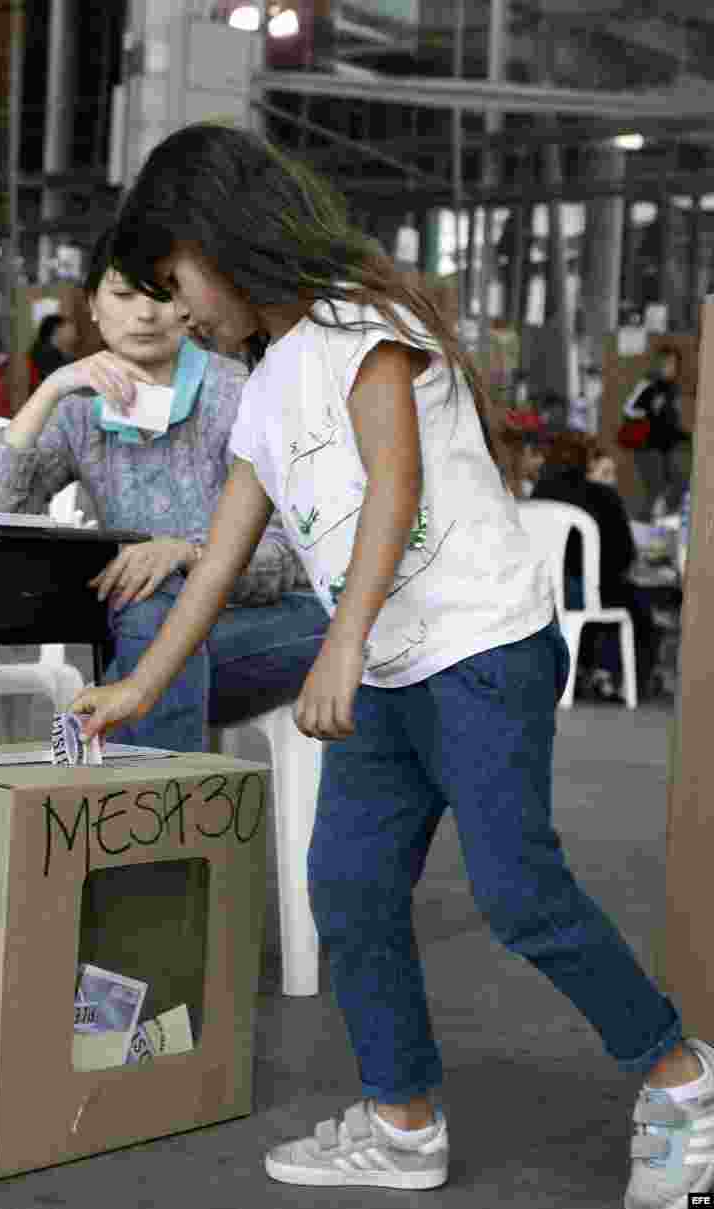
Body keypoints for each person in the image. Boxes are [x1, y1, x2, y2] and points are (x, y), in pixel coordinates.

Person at [66, 123, 711, 1207]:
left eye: (177, 282)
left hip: (477, 649)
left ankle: (682, 1080)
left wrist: (342, 643)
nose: (178, 312)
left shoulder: (360, 324)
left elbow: (394, 482)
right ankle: (401, 1122)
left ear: (226, 244)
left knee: (518, 892)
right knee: (350, 891)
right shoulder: (263, 386)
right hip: (386, 665)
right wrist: (136, 688)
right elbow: (217, 558)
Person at [0, 225, 327, 751]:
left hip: (271, 625)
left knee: (150, 628)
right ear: (91, 305)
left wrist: (188, 555)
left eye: (162, 294)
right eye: (123, 294)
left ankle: (147, 811)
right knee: (151, 623)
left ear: (188, 304)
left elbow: (289, 557)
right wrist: (51, 388)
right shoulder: (80, 408)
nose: (145, 314)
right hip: (160, 641)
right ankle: (168, 813)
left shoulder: (236, 393)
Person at [533, 431, 656, 701]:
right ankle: (621, 679)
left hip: (540, 595)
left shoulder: (537, 497)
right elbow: (624, 557)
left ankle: (586, 671)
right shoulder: (603, 496)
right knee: (634, 601)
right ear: (586, 462)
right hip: (586, 595)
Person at [622, 346, 691, 520]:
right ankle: (645, 526)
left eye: (675, 364)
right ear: (659, 364)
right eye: (668, 364)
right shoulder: (648, 383)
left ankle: (659, 522)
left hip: (667, 446)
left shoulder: (672, 387)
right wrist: (648, 413)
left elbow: (670, 418)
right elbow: (629, 409)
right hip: (649, 447)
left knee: (675, 486)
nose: (672, 368)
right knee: (655, 491)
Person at [27, 311, 79, 388]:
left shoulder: (64, 355)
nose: (76, 335)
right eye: (70, 330)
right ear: (57, 331)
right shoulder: (44, 356)